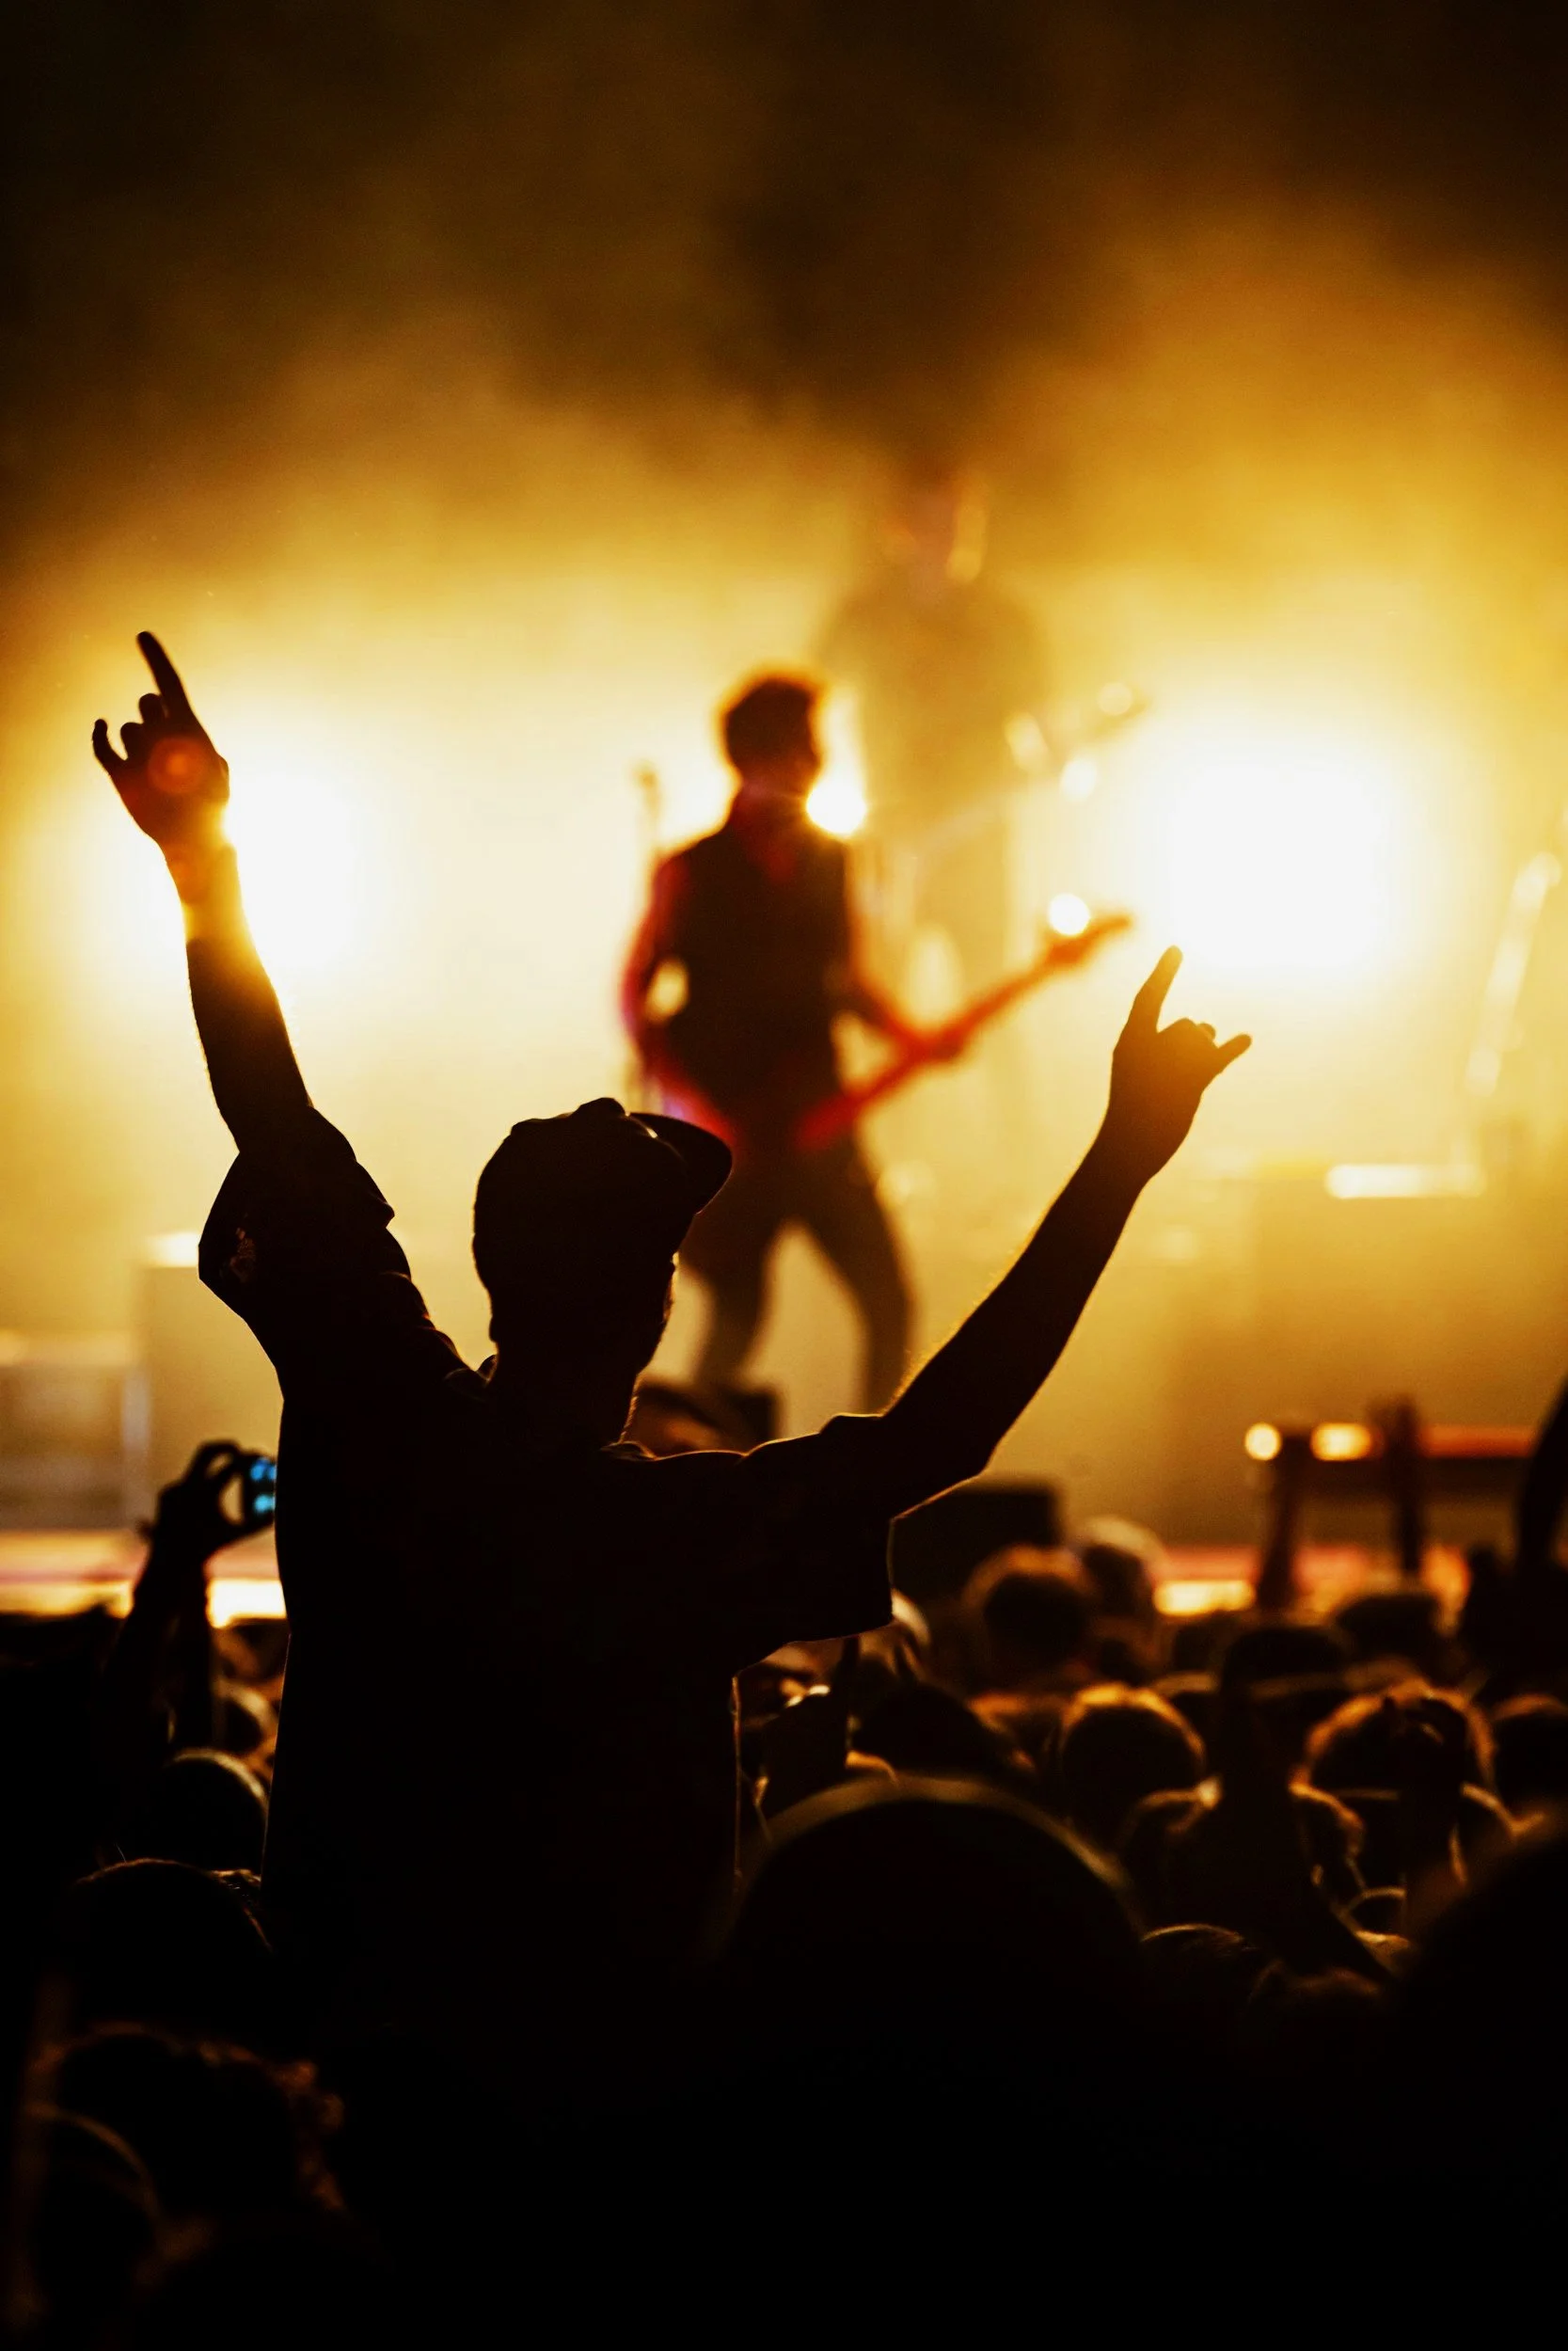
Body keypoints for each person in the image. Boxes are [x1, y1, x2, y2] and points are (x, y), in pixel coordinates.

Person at [94, 631, 1247, 2080]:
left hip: (343, 2058)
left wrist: (202, 866)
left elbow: (273, 1112)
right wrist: (1116, 1164)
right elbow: (942, 1430)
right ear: (653, 1302)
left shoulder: (373, 1409)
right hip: (602, 2098)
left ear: (497, 1268)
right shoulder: (672, 1540)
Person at [622, 670, 937, 1409]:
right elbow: (635, 997)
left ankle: (874, 1473)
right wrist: (696, 1108)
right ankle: (680, 1468)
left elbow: (849, 978)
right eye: (796, 747)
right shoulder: (689, 869)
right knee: (736, 1316)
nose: (811, 762)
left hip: (821, 1121)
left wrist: (910, 1035)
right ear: (753, 757)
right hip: (732, 1131)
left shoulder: (832, 859)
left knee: (888, 1300)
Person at [816, 463, 1049, 989]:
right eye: (932, 522)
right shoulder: (865, 617)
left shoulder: (1005, 623)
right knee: (879, 998)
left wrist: (1059, 760)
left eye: (960, 523)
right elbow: (807, 702)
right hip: (889, 838)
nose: (948, 538)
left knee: (989, 1003)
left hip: (980, 843)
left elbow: (1048, 731)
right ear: (897, 530)